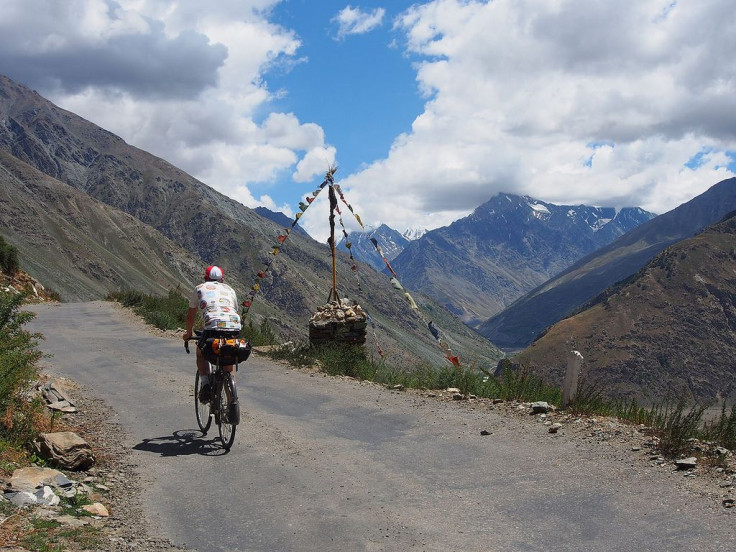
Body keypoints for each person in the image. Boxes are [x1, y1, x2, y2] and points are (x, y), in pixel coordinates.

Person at [183, 265, 241, 407]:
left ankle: (205, 384)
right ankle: (232, 402)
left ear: (205, 277)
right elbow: (234, 312)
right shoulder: (229, 289)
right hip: (234, 327)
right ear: (222, 279)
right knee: (228, 363)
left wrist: (188, 333)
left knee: (201, 353)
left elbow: (191, 316)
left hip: (213, 328)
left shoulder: (199, 288)